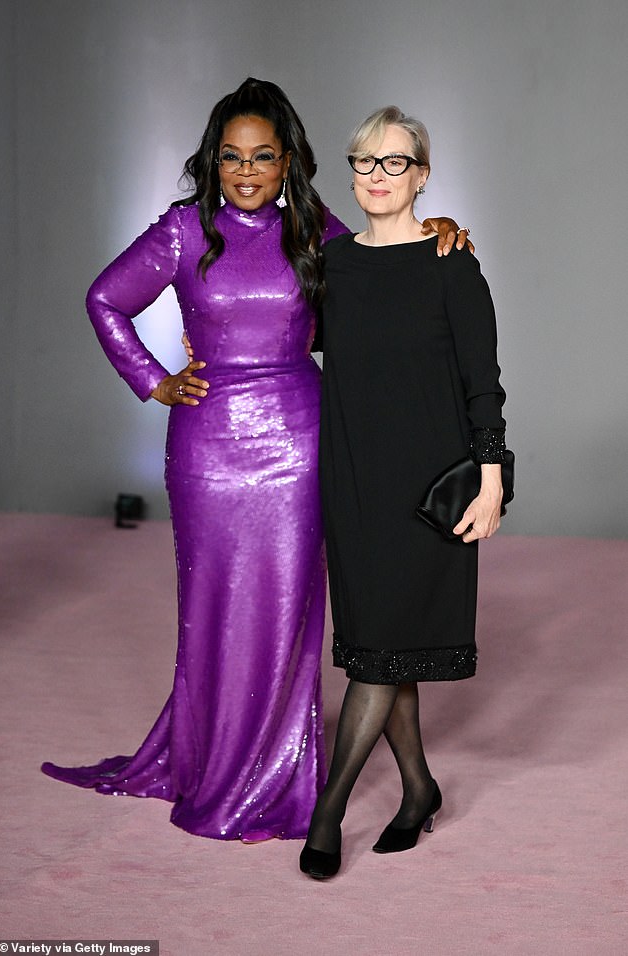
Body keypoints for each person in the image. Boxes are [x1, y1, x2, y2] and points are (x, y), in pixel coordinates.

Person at [41, 79, 467, 842]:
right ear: (213, 161)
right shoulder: (181, 230)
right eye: (232, 157)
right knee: (212, 610)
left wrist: (436, 232)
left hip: (302, 443)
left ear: (288, 162)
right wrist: (153, 379)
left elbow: (382, 278)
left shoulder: (314, 229)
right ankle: (213, 759)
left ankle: (278, 769)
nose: (246, 170)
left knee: (289, 611)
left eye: (263, 156)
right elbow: (104, 299)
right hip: (207, 446)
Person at [299, 106, 507, 878]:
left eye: (395, 163)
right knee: (387, 647)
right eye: (363, 163)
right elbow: (290, 341)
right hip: (353, 480)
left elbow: (482, 385)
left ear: (422, 175)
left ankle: (328, 814)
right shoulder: (333, 265)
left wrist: (492, 482)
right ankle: (419, 788)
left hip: (430, 489)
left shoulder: (453, 264)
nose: (377, 177)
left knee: (377, 661)